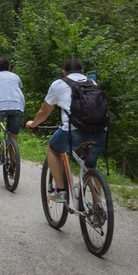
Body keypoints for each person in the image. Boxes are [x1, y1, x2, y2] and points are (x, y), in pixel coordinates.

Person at [26, 57, 107, 203]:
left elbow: (44, 112)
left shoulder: (59, 84)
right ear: (82, 72)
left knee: (53, 148)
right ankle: (97, 205)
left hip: (74, 131)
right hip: (100, 131)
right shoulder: (92, 82)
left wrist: (33, 124)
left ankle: (61, 191)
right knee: (91, 165)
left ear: (64, 73)